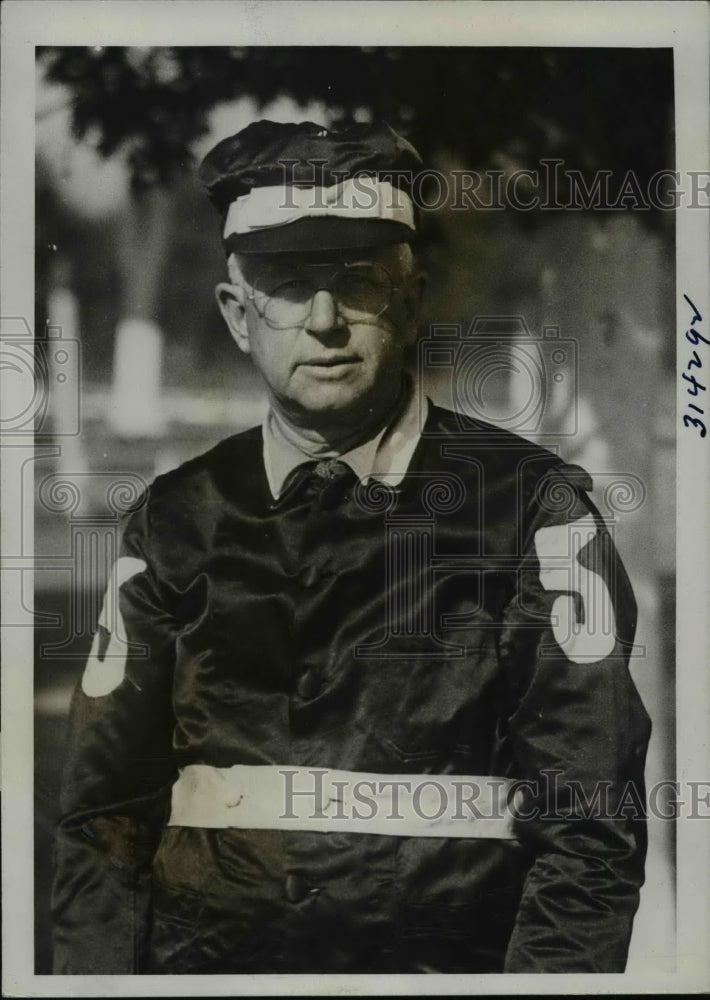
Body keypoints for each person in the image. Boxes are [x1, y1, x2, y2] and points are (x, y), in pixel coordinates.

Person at [52, 120, 651, 975]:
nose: (325, 321)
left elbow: (591, 824)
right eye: (289, 286)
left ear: (408, 304)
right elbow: (101, 816)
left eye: (357, 282)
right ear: (237, 315)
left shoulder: (529, 507)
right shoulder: (178, 515)